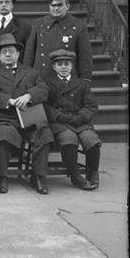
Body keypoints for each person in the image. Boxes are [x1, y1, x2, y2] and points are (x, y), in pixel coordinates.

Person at [0, 33, 52, 195]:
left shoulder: (32, 73)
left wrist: (29, 96)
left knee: (44, 132)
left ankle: (38, 176)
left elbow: (43, 89)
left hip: (29, 117)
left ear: (18, 54)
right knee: (3, 133)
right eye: (4, 52)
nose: (8, 54)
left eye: (11, 51)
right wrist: (9, 100)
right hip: (5, 117)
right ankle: (2, 176)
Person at [44, 49, 100, 190]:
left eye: (67, 64)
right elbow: (45, 105)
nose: (63, 67)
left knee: (91, 140)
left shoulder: (82, 84)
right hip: (60, 123)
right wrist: (58, 115)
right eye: (60, 64)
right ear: (54, 67)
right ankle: (75, 176)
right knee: (69, 139)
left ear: (71, 66)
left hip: (80, 121)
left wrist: (81, 116)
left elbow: (91, 106)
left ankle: (93, 172)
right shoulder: (47, 84)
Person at [24, 0, 94, 82]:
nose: (56, 8)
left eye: (60, 5)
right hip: (41, 79)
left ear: (67, 6)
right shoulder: (38, 24)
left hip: (67, 81)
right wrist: (27, 77)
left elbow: (85, 58)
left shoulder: (78, 27)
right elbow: (29, 54)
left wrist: (85, 80)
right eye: (53, 5)